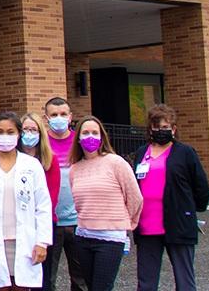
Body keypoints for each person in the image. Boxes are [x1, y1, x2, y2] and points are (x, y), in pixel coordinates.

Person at [0, 111, 51, 291]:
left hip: (25, 242)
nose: (5, 137)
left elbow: (43, 206)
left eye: (10, 132)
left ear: (19, 134)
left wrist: (42, 242)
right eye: (0, 131)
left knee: (21, 286)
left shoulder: (32, 166)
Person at [133, 104, 209, 291]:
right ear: (150, 129)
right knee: (146, 283)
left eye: (165, 127)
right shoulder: (142, 153)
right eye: (157, 127)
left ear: (174, 129)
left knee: (184, 280)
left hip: (178, 222)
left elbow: (201, 186)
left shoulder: (185, 153)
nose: (161, 131)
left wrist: (190, 209)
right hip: (147, 225)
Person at [69, 116, 143, 291]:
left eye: (95, 133)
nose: (90, 137)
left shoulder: (115, 163)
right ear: (78, 138)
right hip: (84, 236)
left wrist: (126, 223)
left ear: (102, 137)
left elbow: (135, 197)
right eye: (85, 133)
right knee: (90, 285)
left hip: (110, 237)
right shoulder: (75, 169)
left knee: (102, 287)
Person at [43, 97, 85, 291]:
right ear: (46, 118)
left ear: (70, 117)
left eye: (62, 114)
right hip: (51, 222)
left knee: (81, 278)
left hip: (79, 221)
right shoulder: (41, 144)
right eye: (54, 115)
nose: (58, 118)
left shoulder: (81, 143)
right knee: (48, 278)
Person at [20, 113, 60, 291]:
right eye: (25, 129)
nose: (29, 133)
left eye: (33, 130)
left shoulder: (50, 160)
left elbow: (50, 198)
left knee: (44, 279)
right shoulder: (11, 158)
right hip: (18, 226)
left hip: (42, 226)